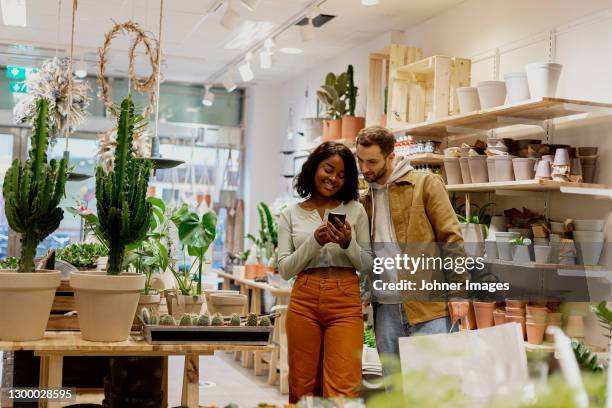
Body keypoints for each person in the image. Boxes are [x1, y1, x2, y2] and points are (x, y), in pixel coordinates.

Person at [355, 126, 468, 377]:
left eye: (372, 162)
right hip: (385, 308)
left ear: (391, 157)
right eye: (361, 161)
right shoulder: (366, 200)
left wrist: (459, 292)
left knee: (433, 390)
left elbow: (451, 239)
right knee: (394, 391)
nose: (365, 169)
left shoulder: (425, 184)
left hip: (428, 306)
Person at [278, 141, 373, 403]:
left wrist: (347, 243)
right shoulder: (290, 215)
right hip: (303, 300)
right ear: (314, 167)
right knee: (302, 384)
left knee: (343, 386)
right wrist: (315, 242)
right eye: (328, 170)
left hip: (344, 301)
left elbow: (366, 265)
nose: (333, 179)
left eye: (342, 175)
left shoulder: (355, 211)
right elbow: (285, 269)